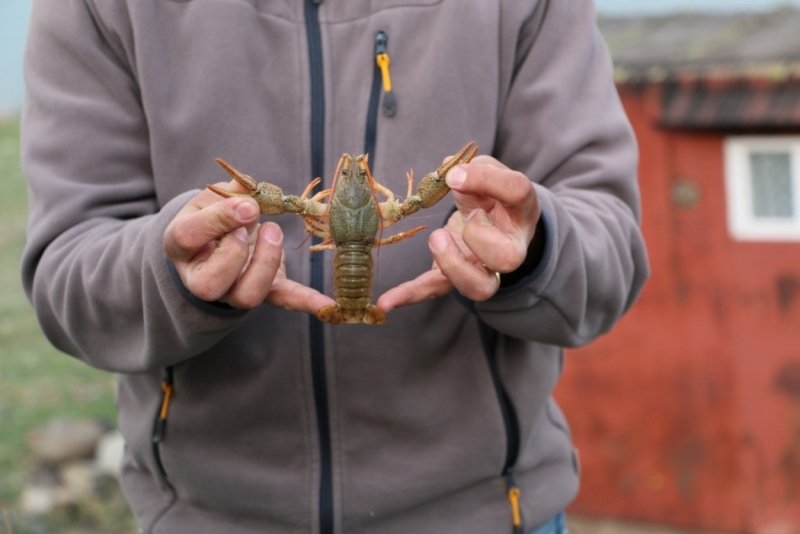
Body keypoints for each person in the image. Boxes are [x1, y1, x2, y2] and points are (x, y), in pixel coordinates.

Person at [21, 0, 649, 533]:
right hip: (202, 516)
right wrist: (170, 268)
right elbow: (66, 276)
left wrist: (535, 249)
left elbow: (612, 251)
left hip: (493, 512)